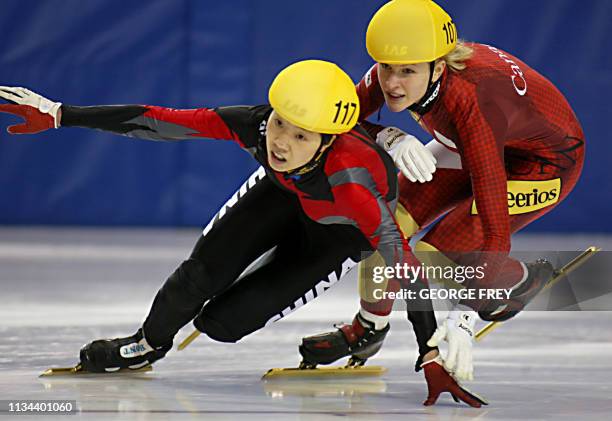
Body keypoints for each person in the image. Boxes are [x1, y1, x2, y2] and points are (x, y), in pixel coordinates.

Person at [0, 59, 486, 407]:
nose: (279, 141)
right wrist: (64, 114)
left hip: (335, 232)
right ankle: (145, 344)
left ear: (327, 141)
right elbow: (160, 121)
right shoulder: (257, 127)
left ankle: (367, 333)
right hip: (278, 195)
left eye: (300, 136)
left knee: (223, 324)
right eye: (280, 123)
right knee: (197, 280)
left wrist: (428, 351)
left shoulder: (353, 185)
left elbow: (403, 264)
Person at [305, 0, 585, 389]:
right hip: (469, 144)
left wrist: (465, 313)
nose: (392, 84)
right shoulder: (402, 67)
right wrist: (387, 135)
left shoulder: (475, 102)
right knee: (381, 228)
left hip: (541, 164)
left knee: (439, 256)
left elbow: (495, 228)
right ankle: (369, 327)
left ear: (438, 66)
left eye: (407, 72)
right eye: (386, 68)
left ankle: (519, 281)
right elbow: (339, 123)